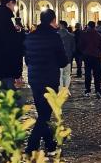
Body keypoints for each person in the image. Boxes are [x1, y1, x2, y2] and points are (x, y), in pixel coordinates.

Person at [23, 9, 68, 154]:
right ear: (53, 20)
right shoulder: (54, 37)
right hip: (49, 78)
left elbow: (27, 59)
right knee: (44, 114)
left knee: (43, 112)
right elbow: (63, 61)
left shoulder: (30, 36)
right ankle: (32, 146)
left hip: (34, 78)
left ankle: (49, 144)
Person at [79, 20, 101, 97]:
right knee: (97, 74)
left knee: (87, 74)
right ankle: (98, 90)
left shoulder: (84, 35)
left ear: (88, 26)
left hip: (87, 56)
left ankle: (87, 90)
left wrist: (83, 52)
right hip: (96, 56)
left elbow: (80, 45)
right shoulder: (99, 35)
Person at [57, 20, 75, 91]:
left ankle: (60, 90)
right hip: (68, 58)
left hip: (58, 58)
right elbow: (73, 49)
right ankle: (66, 89)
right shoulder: (71, 36)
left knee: (60, 75)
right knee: (67, 75)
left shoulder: (56, 35)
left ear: (61, 25)